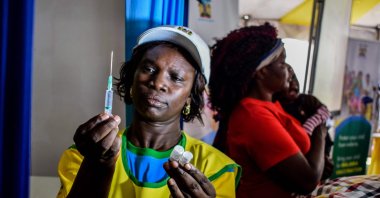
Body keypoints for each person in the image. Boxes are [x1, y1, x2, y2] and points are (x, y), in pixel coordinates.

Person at [57, 26, 241, 198]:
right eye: (149, 69)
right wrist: (96, 166)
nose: (158, 83)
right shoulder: (85, 153)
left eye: (176, 77)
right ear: (132, 79)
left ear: (190, 97)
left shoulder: (216, 167)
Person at [209, 23, 328, 197]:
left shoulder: (269, 106)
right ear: (261, 72)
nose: (288, 69)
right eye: (282, 62)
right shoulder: (254, 116)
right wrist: (321, 133)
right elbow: (307, 180)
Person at [272, 66, 334, 181]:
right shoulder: (277, 109)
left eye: (294, 78)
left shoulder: (305, 100)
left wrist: (309, 126)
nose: (293, 83)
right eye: (288, 80)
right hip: (301, 160)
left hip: (320, 150)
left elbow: (324, 112)